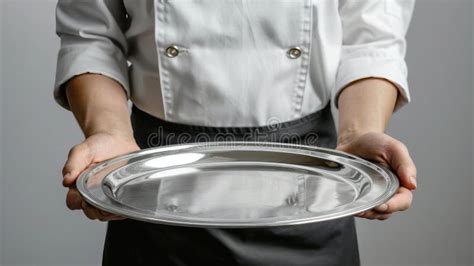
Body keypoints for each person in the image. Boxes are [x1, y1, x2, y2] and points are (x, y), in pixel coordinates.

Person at [54, 1, 417, 265]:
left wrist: (360, 132)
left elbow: (371, 39)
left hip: (310, 183)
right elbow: (92, 36)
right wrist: (109, 133)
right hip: (155, 184)